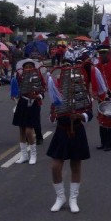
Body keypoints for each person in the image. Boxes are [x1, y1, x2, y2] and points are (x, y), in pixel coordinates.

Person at [47, 62, 93, 213]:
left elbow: (90, 113)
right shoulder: (58, 93)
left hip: (77, 130)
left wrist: (80, 115)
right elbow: (51, 115)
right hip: (61, 131)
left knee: (75, 165)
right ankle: (60, 197)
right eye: (67, 79)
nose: (70, 82)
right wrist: (53, 116)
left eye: (72, 79)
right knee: (55, 166)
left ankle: (73, 198)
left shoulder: (83, 94)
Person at [11, 58, 45, 164]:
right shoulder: (20, 77)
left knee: (29, 131)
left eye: (31, 67)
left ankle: (33, 155)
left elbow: (43, 89)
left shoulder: (38, 77)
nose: (29, 69)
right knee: (21, 130)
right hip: (22, 103)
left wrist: (37, 96)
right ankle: (24, 155)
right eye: (26, 67)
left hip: (33, 104)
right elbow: (16, 89)